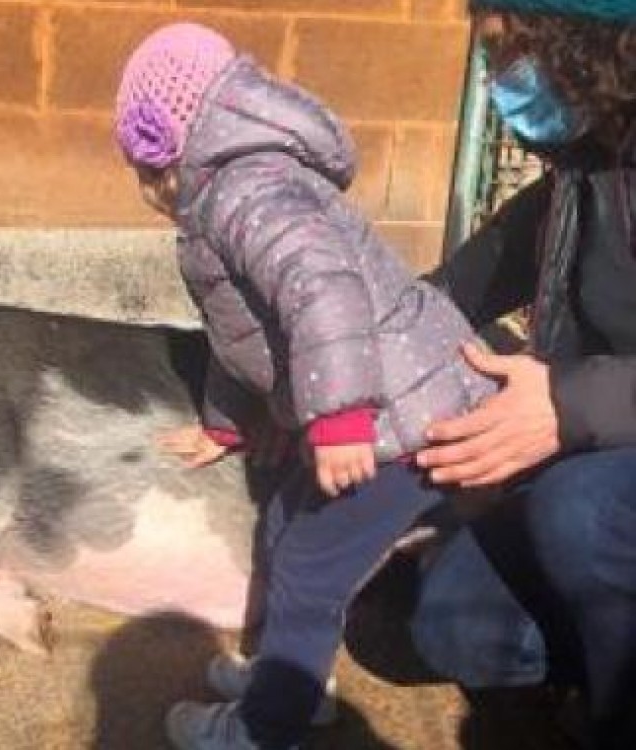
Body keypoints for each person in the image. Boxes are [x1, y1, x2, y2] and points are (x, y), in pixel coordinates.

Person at [114, 22, 497, 750]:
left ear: (174, 149)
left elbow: (325, 290)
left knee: (310, 562)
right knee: (287, 528)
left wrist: (340, 417)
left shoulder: (247, 192)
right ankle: (287, 681)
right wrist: (227, 425)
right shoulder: (226, 197)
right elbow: (242, 336)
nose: (146, 192)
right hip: (390, 407)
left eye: (146, 170)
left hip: (402, 419)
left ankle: (267, 728)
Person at [409, 2, 636, 748]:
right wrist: (336, 355)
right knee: (456, 624)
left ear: (576, 39)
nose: (496, 78)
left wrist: (567, 404)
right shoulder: (583, 168)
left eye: (505, 52)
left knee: (582, 512)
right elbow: (450, 292)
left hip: (600, 469)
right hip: (606, 449)